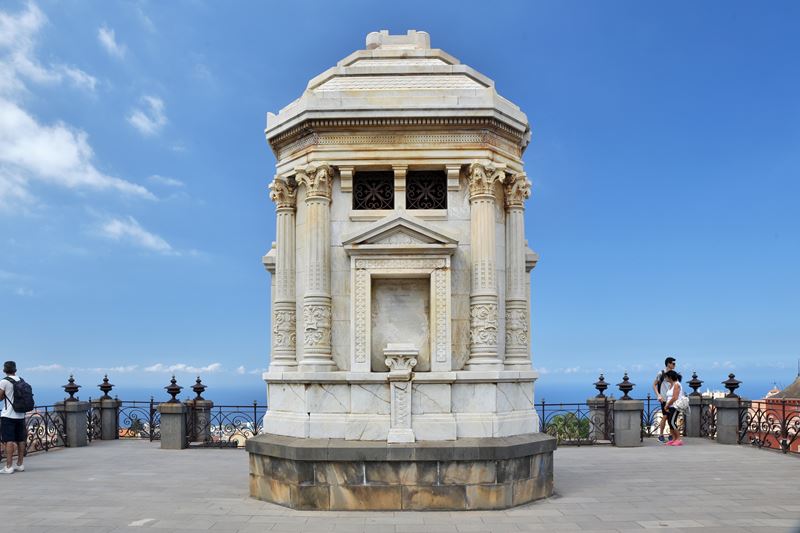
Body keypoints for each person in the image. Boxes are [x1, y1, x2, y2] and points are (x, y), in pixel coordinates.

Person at [0, 361, 27, 474]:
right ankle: (20, 464)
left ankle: (9, 466)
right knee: (21, 440)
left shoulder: (4, 382)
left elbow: (0, 397)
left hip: (8, 415)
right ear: (15, 370)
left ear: (5, 370)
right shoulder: (22, 380)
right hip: (20, 415)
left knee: (9, 440)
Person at [652, 356, 677, 443]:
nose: (674, 365)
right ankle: (661, 435)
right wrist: (658, 395)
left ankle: (671, 435)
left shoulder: (674, 374)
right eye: (673, 363)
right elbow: (654, 384)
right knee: (666, 416)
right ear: (668, 364)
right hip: (664, 399)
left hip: (672, 399)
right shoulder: (661, 373)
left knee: (671, 417)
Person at [662, 369, 685, 446]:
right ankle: (674, 439)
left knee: (672, 422)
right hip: (670, 406)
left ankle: (678, 439)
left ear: (670, 377)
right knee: (670, 422)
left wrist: (667, 405)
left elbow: (675, 397)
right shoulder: (671, 385)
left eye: (667, 377)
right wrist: (667, 406)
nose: (666, 379)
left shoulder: (676, 385)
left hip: (675, 406)